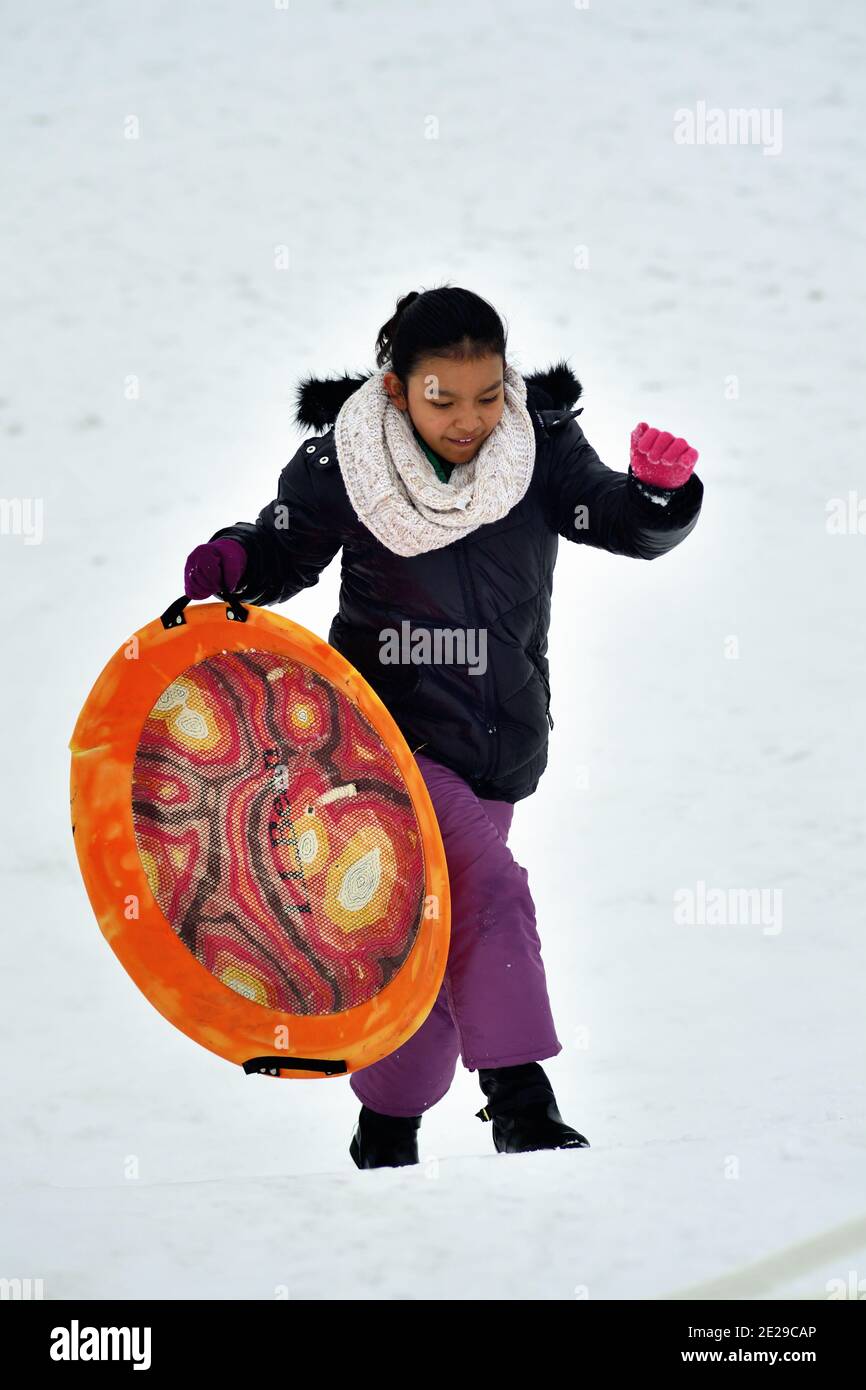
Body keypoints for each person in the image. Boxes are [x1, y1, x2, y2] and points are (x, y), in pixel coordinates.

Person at [185, 283, 703, 1168]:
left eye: (488, 393)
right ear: (396, 389)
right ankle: (522, 1104)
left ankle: (387, 1131)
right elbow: (284, 546)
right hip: (378, 748)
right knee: (489, 891)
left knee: (424, 951)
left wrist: (660, 495)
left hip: (495, 750)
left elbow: (608, 516)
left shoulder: (536, 449)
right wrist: (238, 559)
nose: (470, 419)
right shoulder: (345, 463)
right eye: (442, 398)